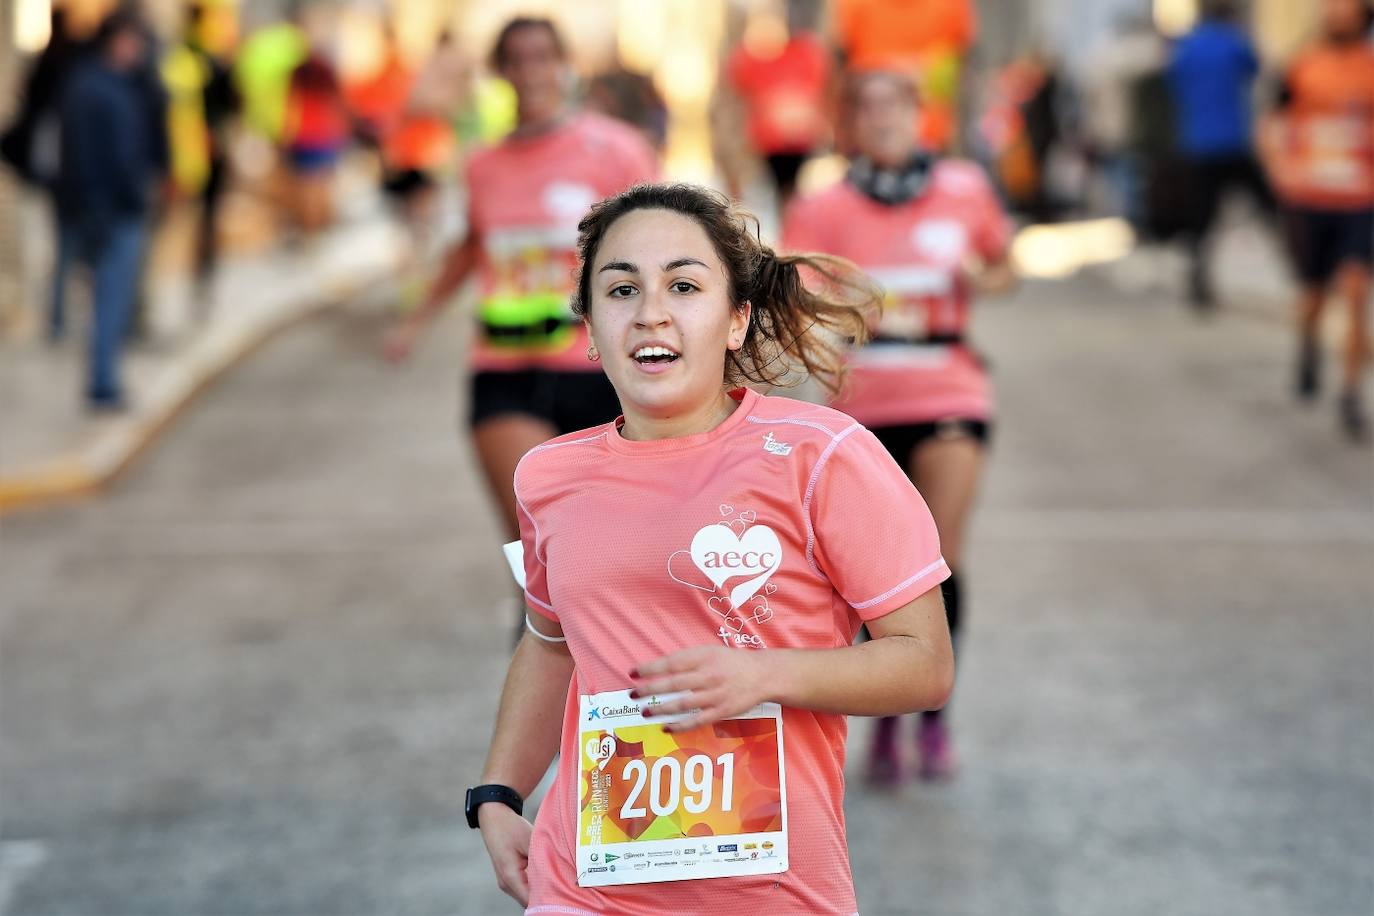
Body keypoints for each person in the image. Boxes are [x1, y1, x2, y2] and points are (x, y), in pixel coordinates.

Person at [467, 182, 955, 914]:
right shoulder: (548, 476)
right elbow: (548, 644)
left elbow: (925, 665)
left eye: (685, 285)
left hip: (772, 893)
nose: (651, 311)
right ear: (592, 331)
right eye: (621, 288)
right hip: (583, 888)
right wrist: (499, 793)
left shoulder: (821, 456)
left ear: (736, 321)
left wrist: (761, 675)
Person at [783, 70, 1013, 783]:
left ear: (921, 114)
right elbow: (793, 296)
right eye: (866, 106)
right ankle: (882, 720)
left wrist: (981, 274)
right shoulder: (822, 206)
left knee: (939, 560)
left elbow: (1006, 270)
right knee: (866, 574)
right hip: (859, 406)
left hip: (949, 390)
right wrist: (840, 310)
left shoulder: (964, 190)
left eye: (895, 104)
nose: (882, 118)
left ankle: (934, 719)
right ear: (849, 122)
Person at [383, 17, 657, 547]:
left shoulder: (617, 150)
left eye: (542, 57)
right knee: (538, 548)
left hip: (598, 372)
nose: (530, 71)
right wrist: (416, 321)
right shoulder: (483, 163)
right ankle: (540, 628)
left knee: (608, 550)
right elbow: (471, 246)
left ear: (563, 65)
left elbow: (662, 245)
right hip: (504, 369)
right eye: (517, 59)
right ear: (500, 71)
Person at [1261, 0, 1374, 442]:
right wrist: (1279, 170)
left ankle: (1350, 392)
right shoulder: (1301, 66)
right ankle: (1307, 346)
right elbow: (1272, 121)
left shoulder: (1368, 69)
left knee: (1356, 287)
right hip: (1310, 197)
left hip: (1360, 198)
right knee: (1312, 296)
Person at [56, 9, 164, 410]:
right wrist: (95, 211)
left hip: (123, 206)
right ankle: (103, 382)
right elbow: (83, 158)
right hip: (105, 210)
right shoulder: (91, 87)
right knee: (107, 300)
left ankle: (107, 376)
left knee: (113, 300)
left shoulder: (129, 85)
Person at [1167, 0, 1270, 309]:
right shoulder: (1233, 42)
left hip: (1197, 142)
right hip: (1232, 139)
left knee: (1202, 217)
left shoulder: (1186, 47)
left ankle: (1198, 274)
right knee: (1269, 205)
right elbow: (1254, 68)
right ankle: (1305, 268)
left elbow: (1174, 84)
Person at [1, 6, 83, 342]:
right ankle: (54, 313)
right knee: (60, 241)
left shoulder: (46, 65)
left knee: (49, 239)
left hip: (43, 166)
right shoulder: (73, 67)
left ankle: (52, 315)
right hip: (62, 166)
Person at [719, 0, 831, 208]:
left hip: (802, 146)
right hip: (762, 150)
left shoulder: (804, 53)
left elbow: (818, 97)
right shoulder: (745, 60)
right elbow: (734, 105)